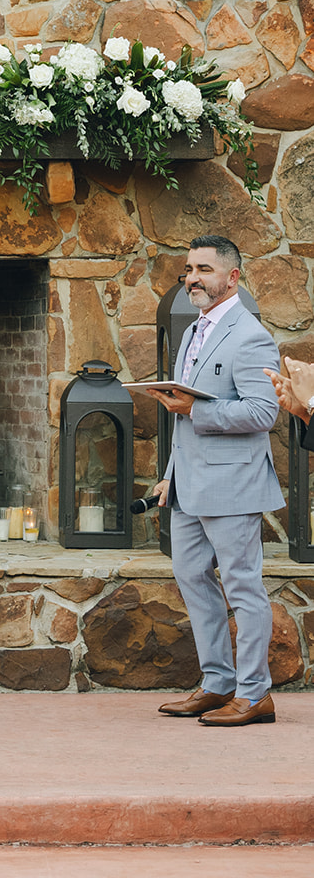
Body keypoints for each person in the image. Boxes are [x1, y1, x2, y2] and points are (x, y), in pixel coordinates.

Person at [147, 233, 282, 727]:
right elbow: (184, 418)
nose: (192, 278)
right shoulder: (192, 332)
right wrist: (168, 476)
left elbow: (264, 412)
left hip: (233, 486)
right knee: (192, 580)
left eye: (204, 269)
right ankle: (217, 683)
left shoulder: (251, 336)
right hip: (187, 486)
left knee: (243, 589)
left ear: (233, 277)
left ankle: (254, 694)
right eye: (189, 269)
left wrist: (198, 408)